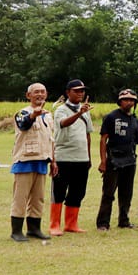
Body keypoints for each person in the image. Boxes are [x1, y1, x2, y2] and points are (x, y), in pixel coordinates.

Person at [10, 82, 57, 241]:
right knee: (21, 197)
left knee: (38, 198)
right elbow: (23, 125)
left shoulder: (48, 116)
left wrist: (53, 160)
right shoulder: (22, 113)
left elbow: (50, 139)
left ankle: (34, 228)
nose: (40, 95)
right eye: (36, 92)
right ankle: (16, 231)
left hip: (42, 160)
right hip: (25, 160)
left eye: (43, 92)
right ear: (28, 95)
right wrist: (33, 115)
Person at [50, 79, 92, 235]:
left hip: (81, 158)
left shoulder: (85, 110)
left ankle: (71, 224)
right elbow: (63, 123)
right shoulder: (61, 110)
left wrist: (88, 157)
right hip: (63, 157)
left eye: (82, 90)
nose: (80, 93)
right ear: (68, 92)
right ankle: (54, 225)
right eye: (77, 90)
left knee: (78, 192)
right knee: (59, 192)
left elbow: (87, 134)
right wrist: (79, 113)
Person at [96, 89, 138, 230]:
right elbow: (103, 139)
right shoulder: (111, 117)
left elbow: (135, 142)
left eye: (132, 100)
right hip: (114, 159)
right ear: (120, 101)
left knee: (126, 193)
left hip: (130, 160)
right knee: (108, 193)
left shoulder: (135, 120)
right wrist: (103, 161)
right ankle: (103, 223)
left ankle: (124, 220)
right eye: (126, 99)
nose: (129, 102)